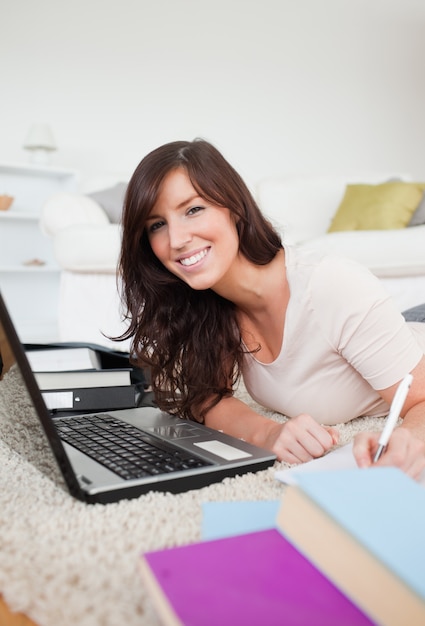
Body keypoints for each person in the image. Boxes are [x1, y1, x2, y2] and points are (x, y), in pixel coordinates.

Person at [118, 138, 425, 479]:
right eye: (157, 224)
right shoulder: (209, 304)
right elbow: (207, 399)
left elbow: (421, 400)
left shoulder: (331, 284)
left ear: (233, 206)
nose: (176, 240)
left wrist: (409, 440)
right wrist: (269, 434)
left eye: (193, 210)